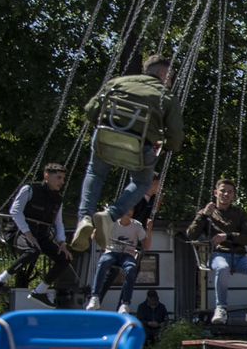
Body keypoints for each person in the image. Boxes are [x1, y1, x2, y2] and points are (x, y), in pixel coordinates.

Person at [72, 53, 184, 250]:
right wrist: (166, 146)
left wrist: (101, 125)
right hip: (139, 146)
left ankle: (85, 218)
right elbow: (175, 136)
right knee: (142, 182)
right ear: (162, 74)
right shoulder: (166, 97)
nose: (170, 82)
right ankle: (111, 215)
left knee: (95, 172)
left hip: (105, 136)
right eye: (171, 77)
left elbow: (90, 110)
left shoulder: (117, 82)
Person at [185, 178, 247, 325]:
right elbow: (191, 235)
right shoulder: (207, 213)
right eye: (223, 191)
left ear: (233, 195)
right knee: (223, 268)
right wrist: (204, 216)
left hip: (238, 256)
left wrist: (227, 236)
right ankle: (221, 307)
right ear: (215, 193)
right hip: (218, 255)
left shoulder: (239, 214)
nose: (226, 194)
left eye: (230, 192)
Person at [0, 162, 73, 302]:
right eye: (58, 178)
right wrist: (28, 234)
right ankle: (1, 279)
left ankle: (40, 291)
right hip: (18, 231)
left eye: (63, 178)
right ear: (47, 176)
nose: (62, 182)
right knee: (33, 251)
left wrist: (62, 244)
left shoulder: (58, 199)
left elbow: (58, 223)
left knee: (65, 258)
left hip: (41, 235)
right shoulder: (30, 189)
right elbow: (15, 211)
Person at [85, 205, 148, 313]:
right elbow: (94, 237)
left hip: (127, 254)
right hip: (112, 252)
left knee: (131, 268)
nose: (128, 212)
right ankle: (95, 297)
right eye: (126, 209)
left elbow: (145, 245)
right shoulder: (112, 222)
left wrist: (149, 230)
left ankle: (125, 303)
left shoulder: (136, 225)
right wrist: (99, 224)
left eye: (131, 209)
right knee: (103, 262)